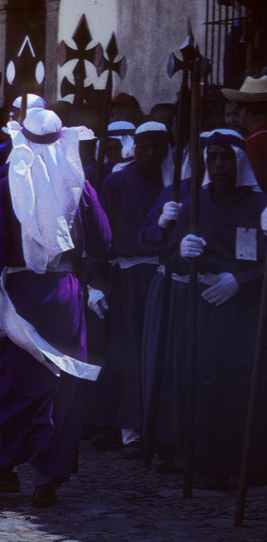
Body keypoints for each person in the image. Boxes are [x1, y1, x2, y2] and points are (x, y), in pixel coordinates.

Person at [0, 108, 111, 508]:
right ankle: (46, 479)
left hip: (19, 295)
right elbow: (101, 239)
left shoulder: (5, 188)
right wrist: (94, 283)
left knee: (9, 384)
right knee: (58, 384)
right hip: (64, 295)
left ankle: (3, 471)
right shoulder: (80, 186)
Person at [139, 128, 266, 488]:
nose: (220, 165)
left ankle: (250, 465)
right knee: (204, 381)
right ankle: (208, 467)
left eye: (227, 158)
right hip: (203, 304)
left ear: (239, 162)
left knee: (245, 382)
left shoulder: (259, 204)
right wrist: (180, 250)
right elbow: (162, 253)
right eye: (213, 158)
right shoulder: (193, 200)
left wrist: (242, 281)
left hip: (245, 306)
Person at [90, 121, 171, 456]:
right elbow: (99, 236)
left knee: (160, 353)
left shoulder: (174, 183)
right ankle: (127, 427)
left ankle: (160, 428)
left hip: (165, 276)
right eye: (145, 146)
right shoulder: (116, 182)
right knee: (126, 351)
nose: (151, 154)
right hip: (126, 278)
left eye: (158, 146)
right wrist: (95, 284)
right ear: (133, 147)